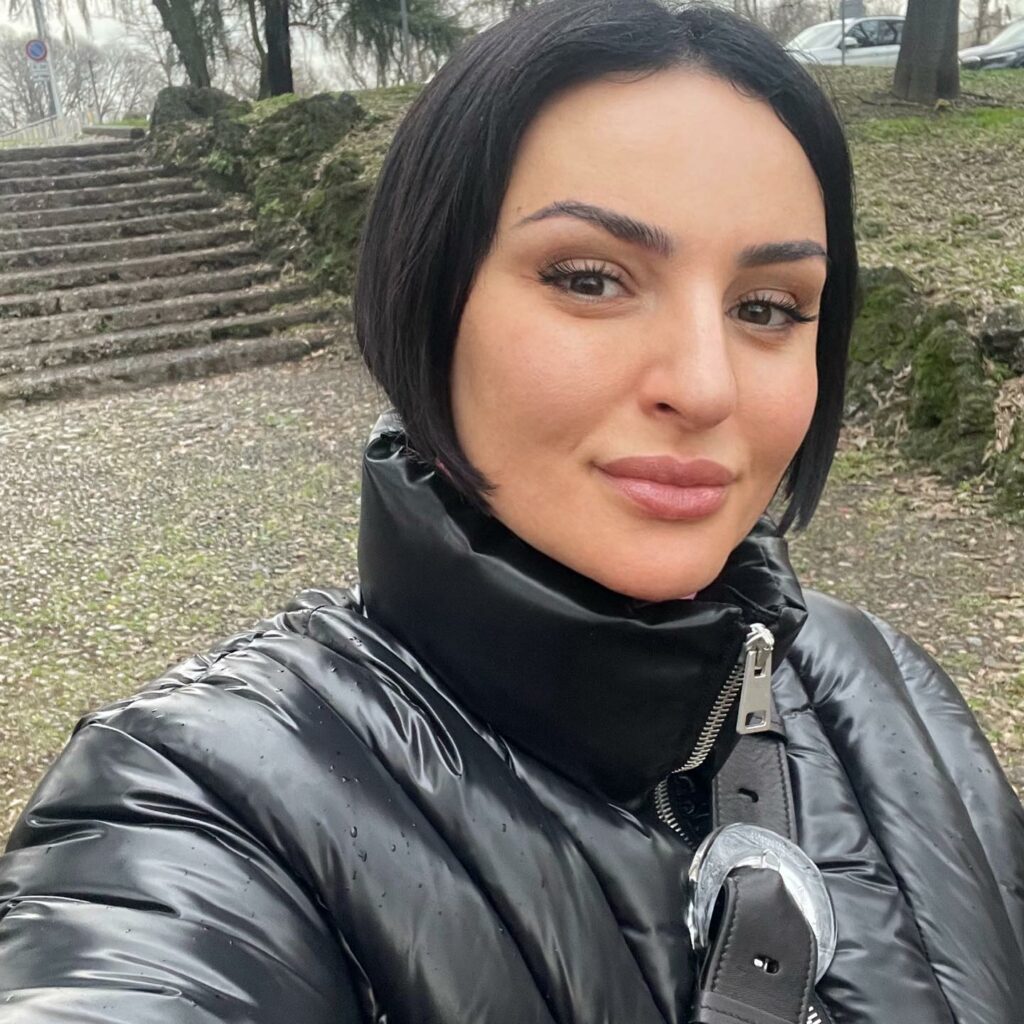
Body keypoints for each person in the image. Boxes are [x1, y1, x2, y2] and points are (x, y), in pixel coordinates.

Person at [1, 1, 1022, 1021]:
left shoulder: (885, 688)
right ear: (428, 297)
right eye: (591, 280)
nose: (705, 387)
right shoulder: (197, 795)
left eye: (766, 308)